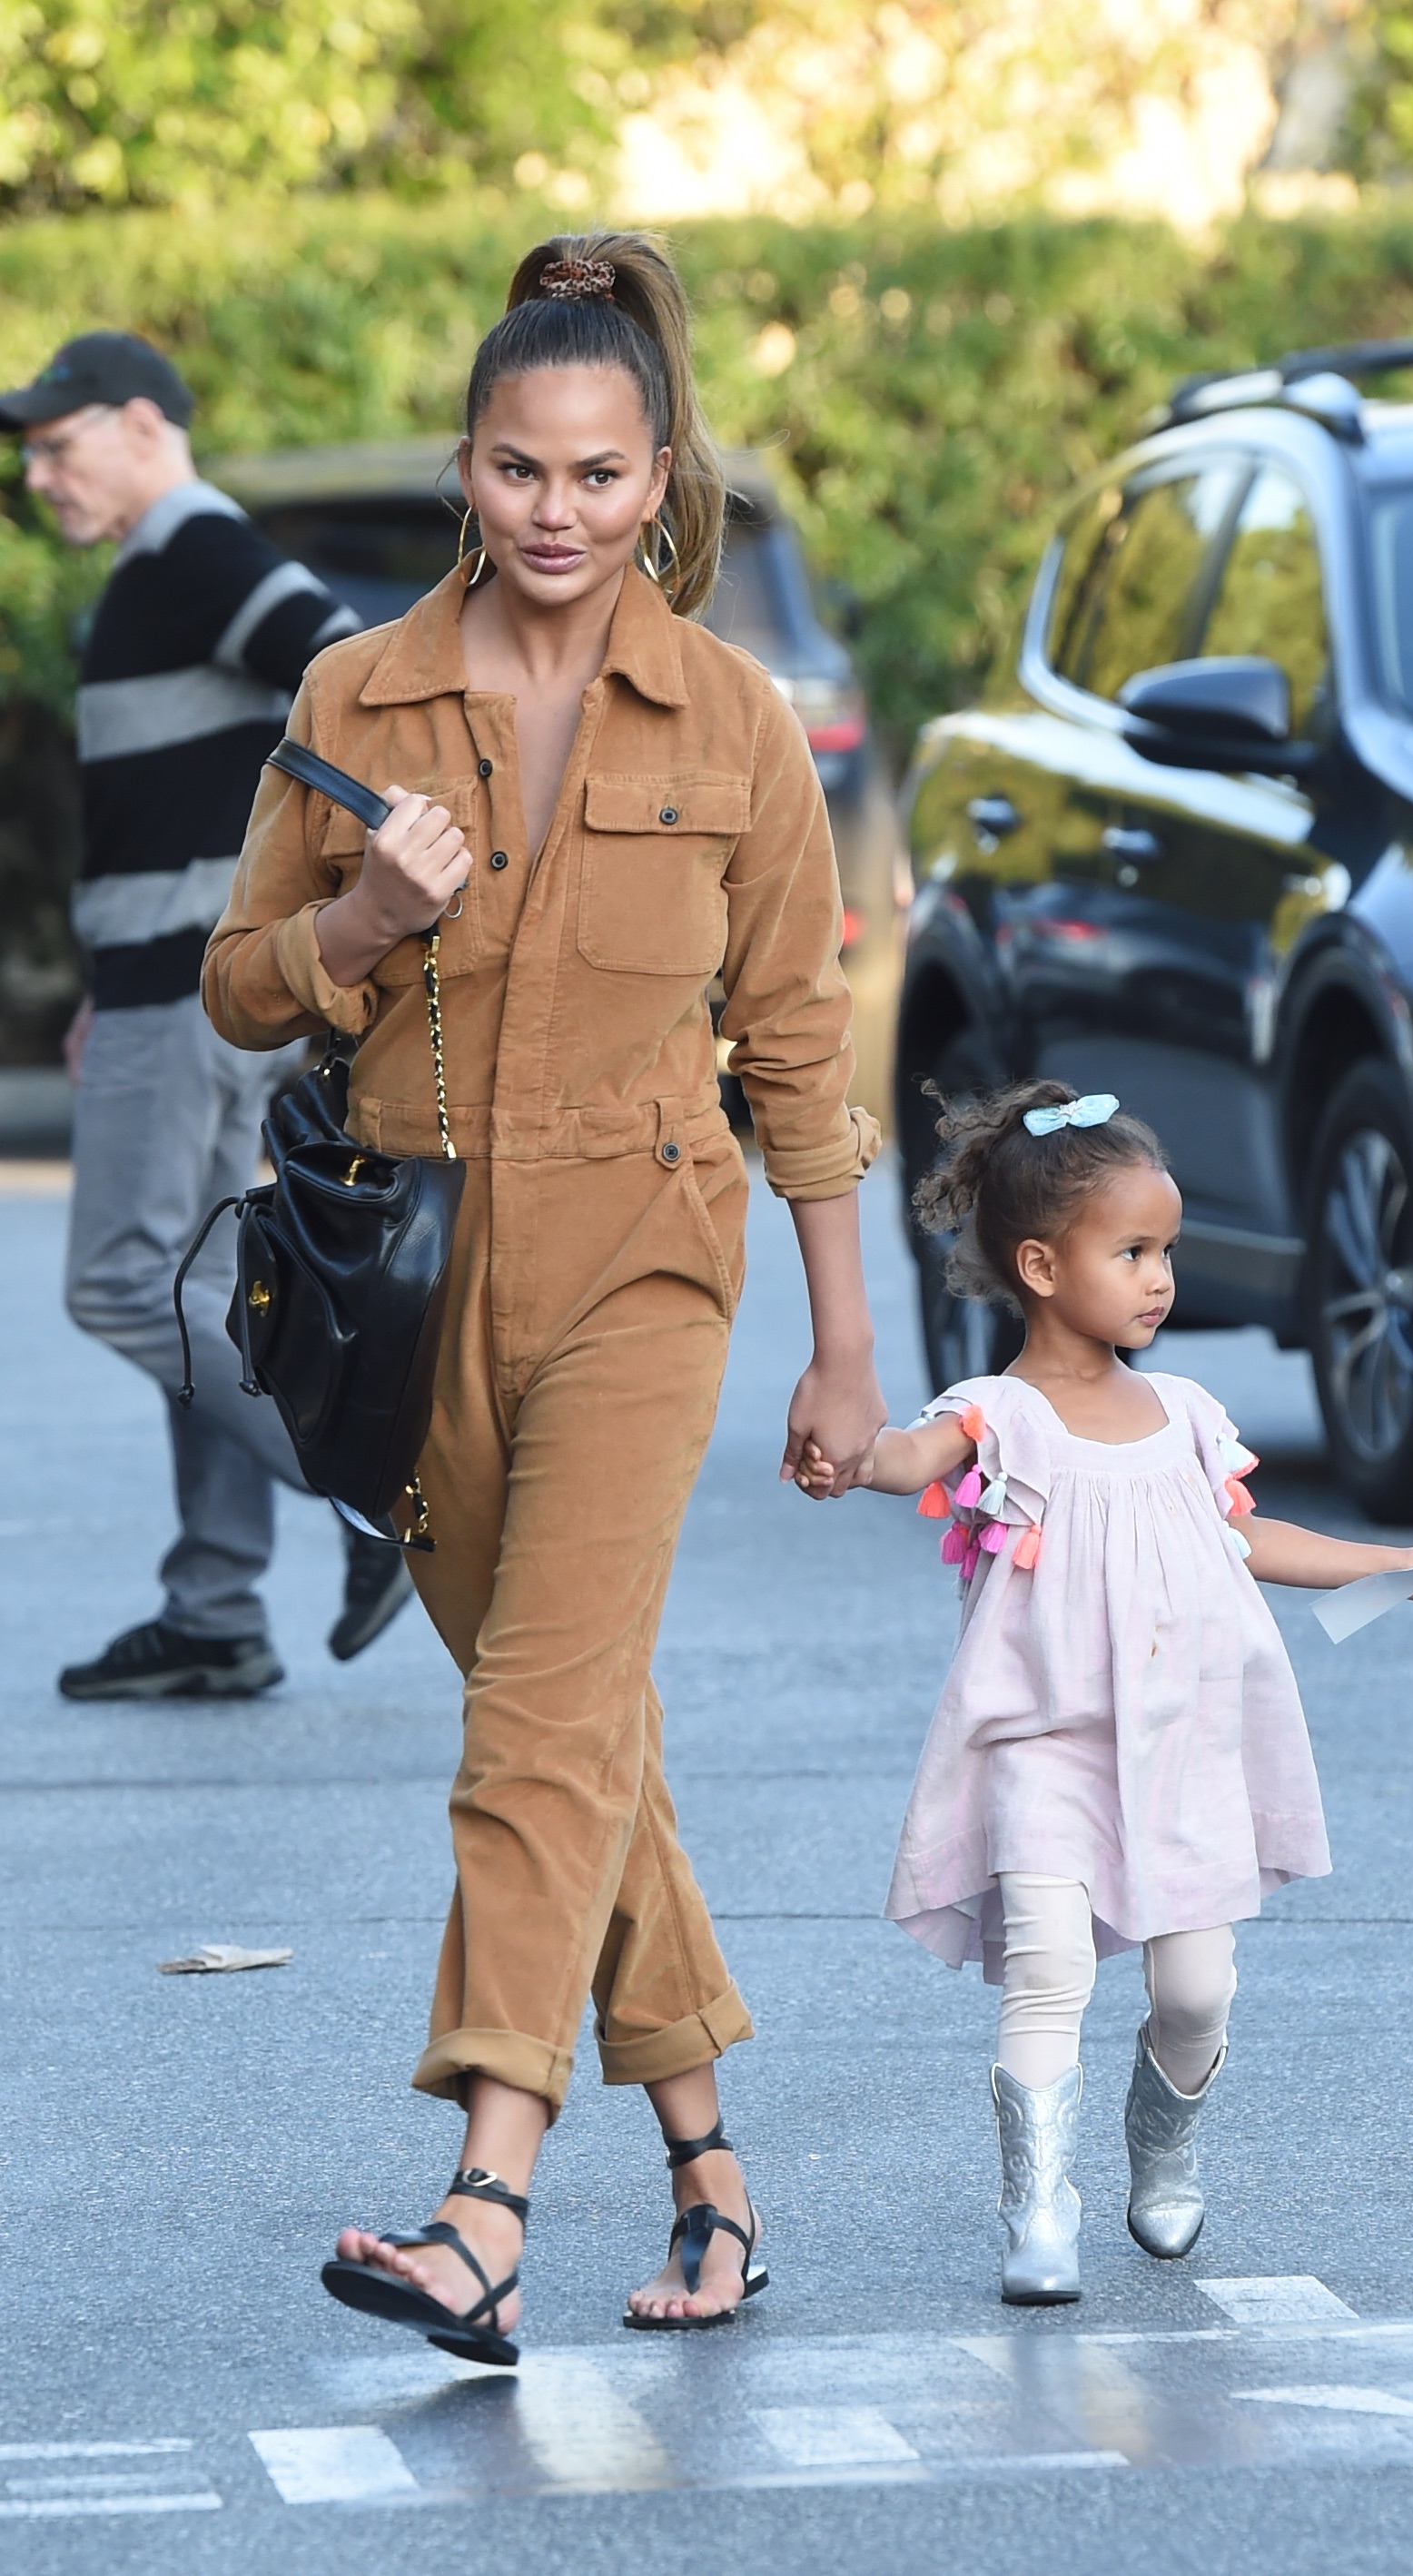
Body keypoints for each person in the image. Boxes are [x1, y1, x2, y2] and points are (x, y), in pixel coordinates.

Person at [203, 232, 884, 2352]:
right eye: (518, 470)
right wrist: (359, 929)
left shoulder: (737, 716)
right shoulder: (355, 698)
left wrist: (847, 1342)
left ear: (656, 467)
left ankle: (484, 2196)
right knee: (583, 1734)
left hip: (647, 1256)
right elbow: (238, 989)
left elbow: (794, 1036)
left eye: (599, 473)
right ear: (467, 471)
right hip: (412, 1275)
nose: (558, 511)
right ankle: (712, 2171)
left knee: (532, 1729)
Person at [795, 1080, 1413, 2304]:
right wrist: (850, 1459)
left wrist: (1396, 1560)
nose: (1162, 1276)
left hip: (1183, 1743)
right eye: (1133, 1251)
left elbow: (1247, 1536)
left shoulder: (1186, 1416)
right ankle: (1038, 2210)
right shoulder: (997, 1415)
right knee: (1049, 1964)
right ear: (1042, 1266)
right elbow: (905, 1457)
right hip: (1041, 1744)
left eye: (1165, 1249)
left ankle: (1161, 2137)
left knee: (1195, 1988)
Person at [0, 331, 415, 1698]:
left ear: (138, 423)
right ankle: (215, 1602)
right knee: (191, 1282)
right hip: (168, 987)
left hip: (193, 991)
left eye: (57, 446)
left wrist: (322, 916)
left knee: (125, 1279)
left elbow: (355, 675)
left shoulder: (197, 551)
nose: (40, 476)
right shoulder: (157, 572)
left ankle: (365, 1482)